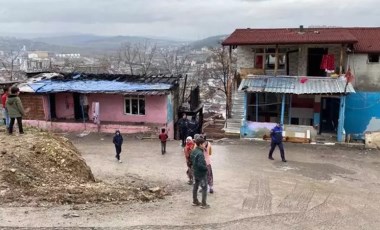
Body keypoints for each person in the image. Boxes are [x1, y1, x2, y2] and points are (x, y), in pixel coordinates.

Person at [191, 137, 210, 209]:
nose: (205, 145)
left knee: (195, 187)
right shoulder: (200, 153)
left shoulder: (194, 151)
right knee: (204, 188)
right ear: (200, 144)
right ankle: (203, 204)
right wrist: (206, 168)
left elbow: (191, 160)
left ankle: (195, 201)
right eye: (204, 144)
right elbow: (200, 165)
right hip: (201, 173)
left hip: (195, 172)